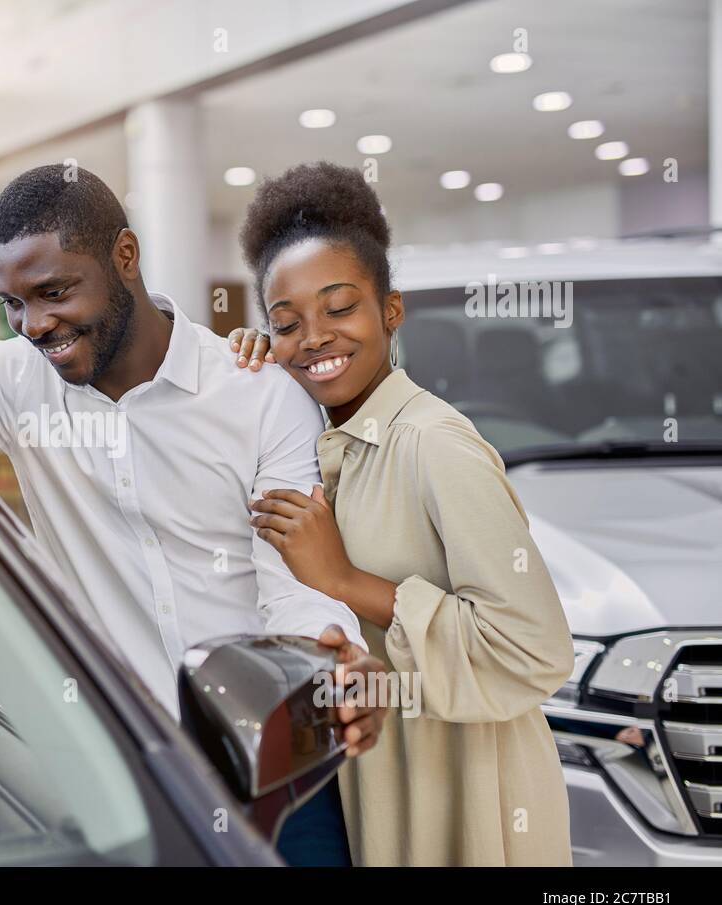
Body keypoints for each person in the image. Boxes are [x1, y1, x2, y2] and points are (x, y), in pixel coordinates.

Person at [0, 164, 388, 865]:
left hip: (274, 766)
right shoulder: (15, 383)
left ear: (124, 258)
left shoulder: (258, 393)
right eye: (12, 302)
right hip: (127, 780)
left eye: (54, 292)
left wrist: (328, 664)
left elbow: (293, 577)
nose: (35, 324)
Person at [228, 161, 574, 866]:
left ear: (390, 311)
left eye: (340, 307)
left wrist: (347, 581)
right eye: (286, 322)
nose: (315, 337)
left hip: (471, 782)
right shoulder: (323, 441)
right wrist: (254, 372)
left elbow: (536, 651)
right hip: (381, 773)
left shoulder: (433, 445)